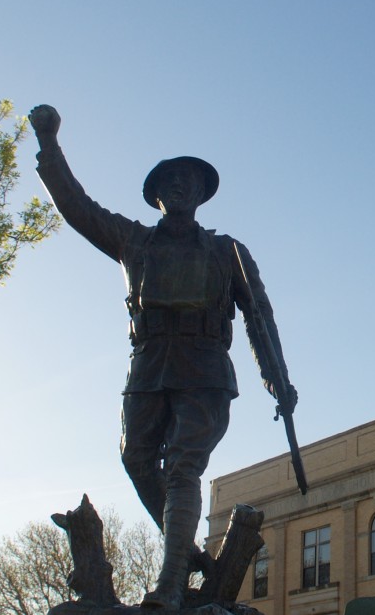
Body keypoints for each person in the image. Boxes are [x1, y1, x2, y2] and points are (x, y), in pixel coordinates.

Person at [27, 104, 297, 610]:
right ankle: (187, 552)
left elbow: (260, 317)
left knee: (183, 469)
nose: (179, 186)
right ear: (156, 195)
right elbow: (77, 207)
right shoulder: (134, 240)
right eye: (170, 180)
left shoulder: (227, 252)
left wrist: (277, 379)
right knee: (136, 459)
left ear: (200, 193)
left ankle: (170, 584)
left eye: (188, 180)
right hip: (149, 365)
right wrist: (49, 142)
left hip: (206, 367)